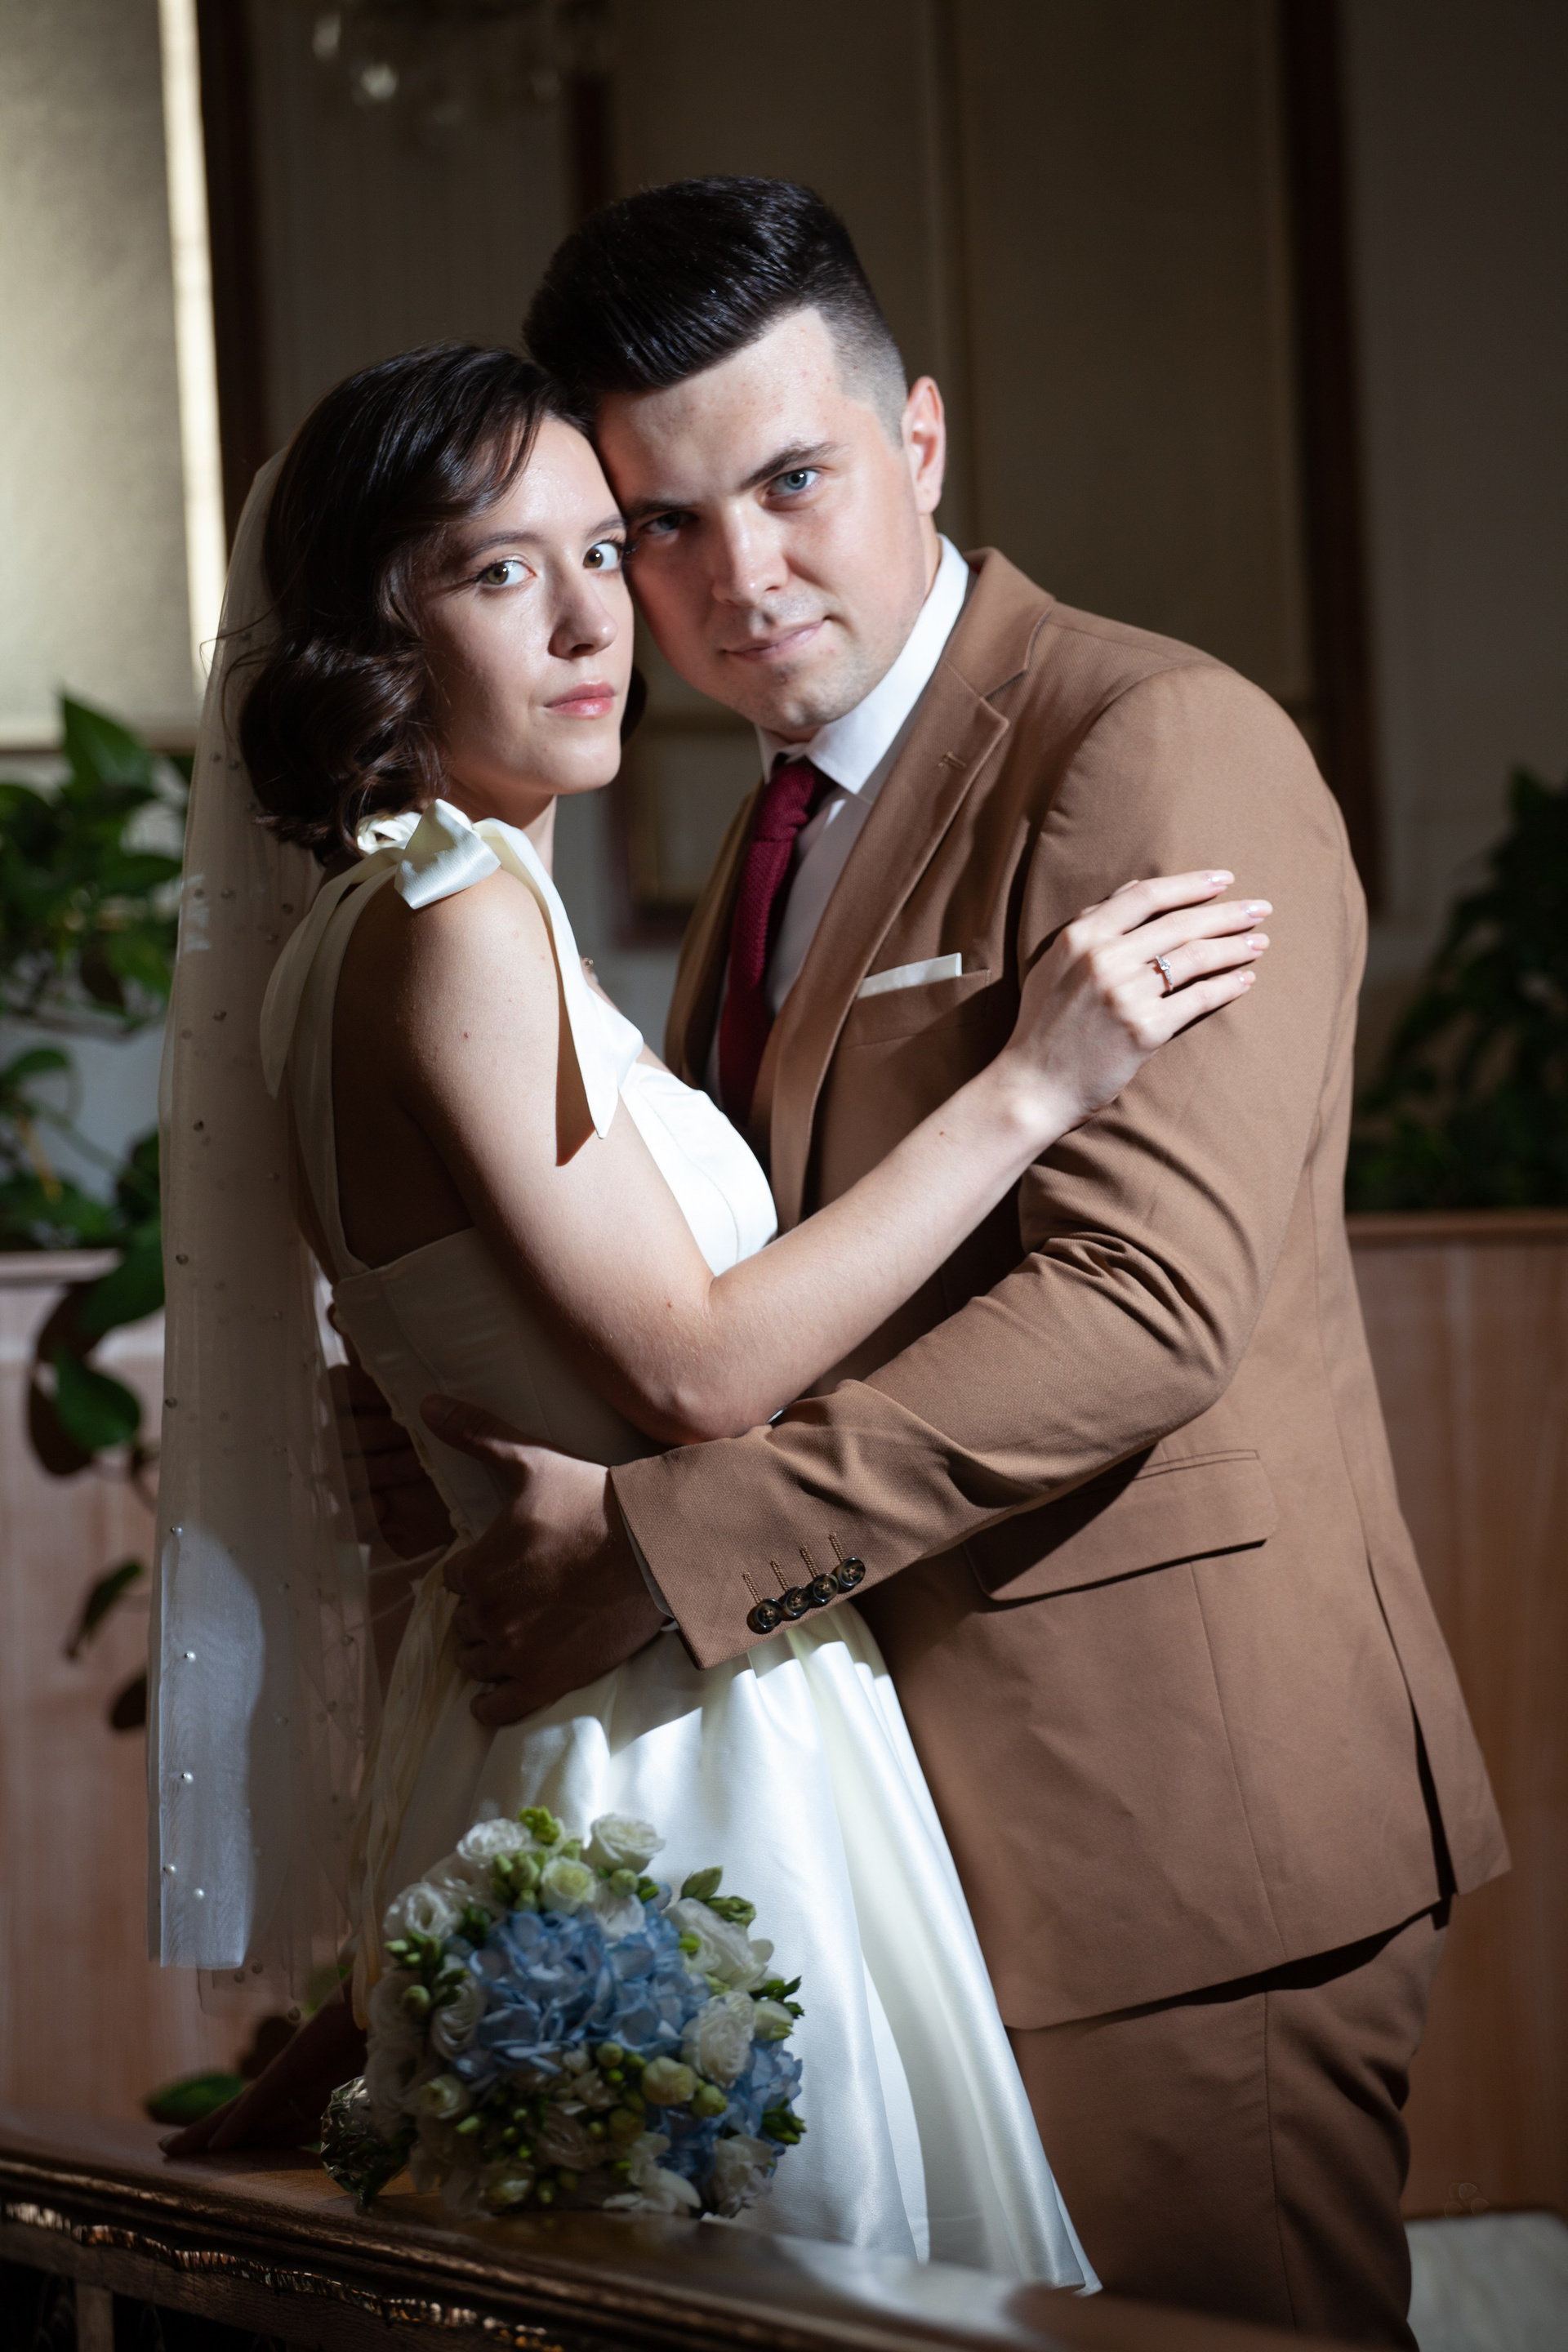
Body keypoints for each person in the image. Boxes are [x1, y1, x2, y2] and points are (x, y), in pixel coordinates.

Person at [359, 182, 1507, 2342]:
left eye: (794, 481)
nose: (738, 577)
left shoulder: (1150, 741)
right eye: (664, 523)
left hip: (1170, 1834)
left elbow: (1145, 1307)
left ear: (922, 441)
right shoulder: (766, 827)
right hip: (898, 1846)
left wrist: (657, 1553)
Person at [154, 340, 1267, 2279]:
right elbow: (695, 1364)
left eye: (604, 551)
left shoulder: (375, 927)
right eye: (500, 572)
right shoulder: (452, 918)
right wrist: (1036, 1083)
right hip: (654, 1737)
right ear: (376, 632)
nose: (595, 621)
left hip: (579, 1692)